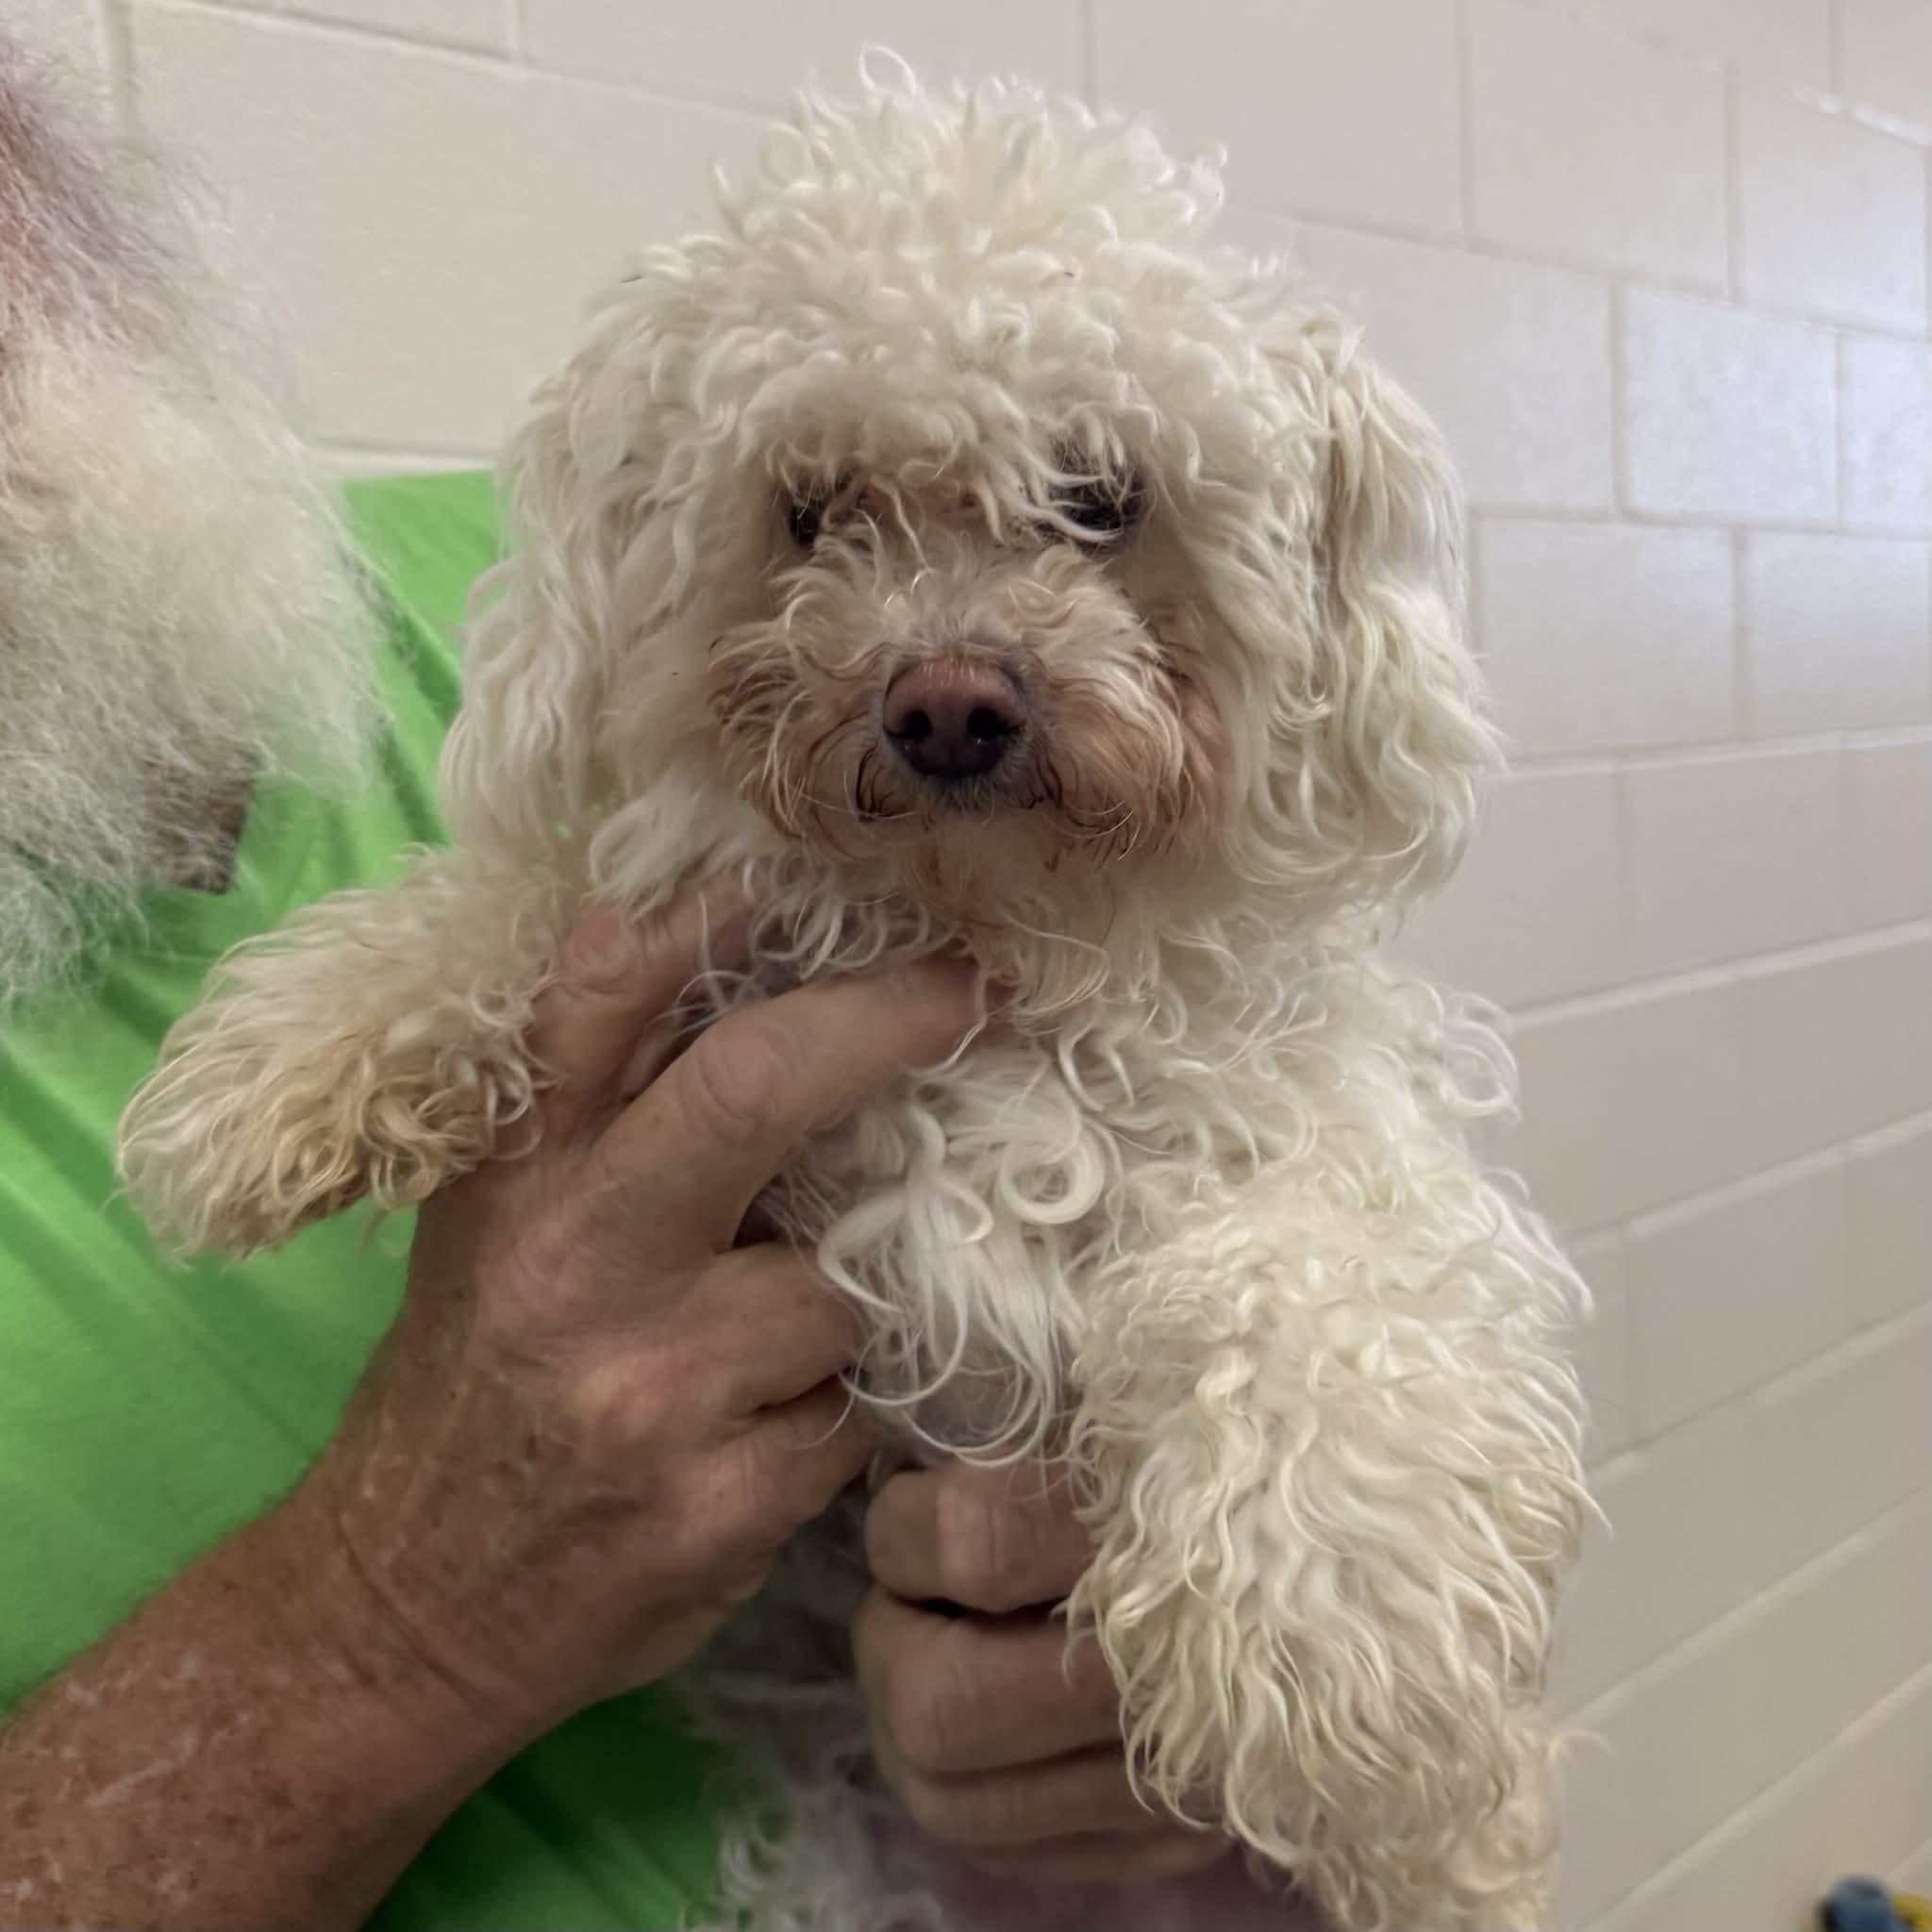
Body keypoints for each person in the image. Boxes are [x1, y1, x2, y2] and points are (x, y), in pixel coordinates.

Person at [0, 35, 1257, 1929]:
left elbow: (1224, 1121)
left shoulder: (587, 608)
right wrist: (371, 1624)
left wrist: (1196, 1713)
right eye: (840, 521)